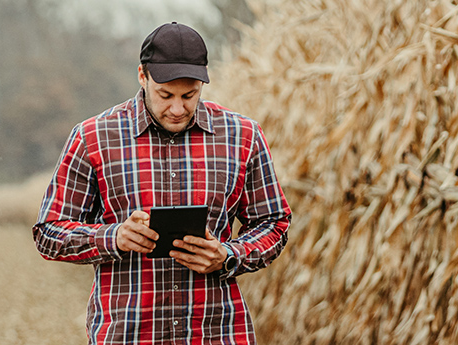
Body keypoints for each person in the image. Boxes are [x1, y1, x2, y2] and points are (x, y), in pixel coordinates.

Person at [32, 22, 291, 345]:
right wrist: (114, 236)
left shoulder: (243, 136)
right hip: (128, 335)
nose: (178, 108)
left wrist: (228, 254)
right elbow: (49, 232)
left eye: (190, 95)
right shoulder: (93, 138)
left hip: (216, 333)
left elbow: (274, 222)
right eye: (165, 95)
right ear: (142, 76)